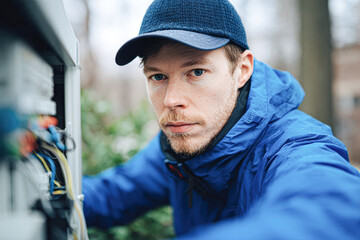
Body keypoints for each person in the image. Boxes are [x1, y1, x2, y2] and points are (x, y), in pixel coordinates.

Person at [82, 0, 360, 239]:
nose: (170, 100)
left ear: (242, 70)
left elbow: (332, 210)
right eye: (158, 77)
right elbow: (112, 194)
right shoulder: (178, 142)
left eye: (197, 72)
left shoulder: (292, 146)